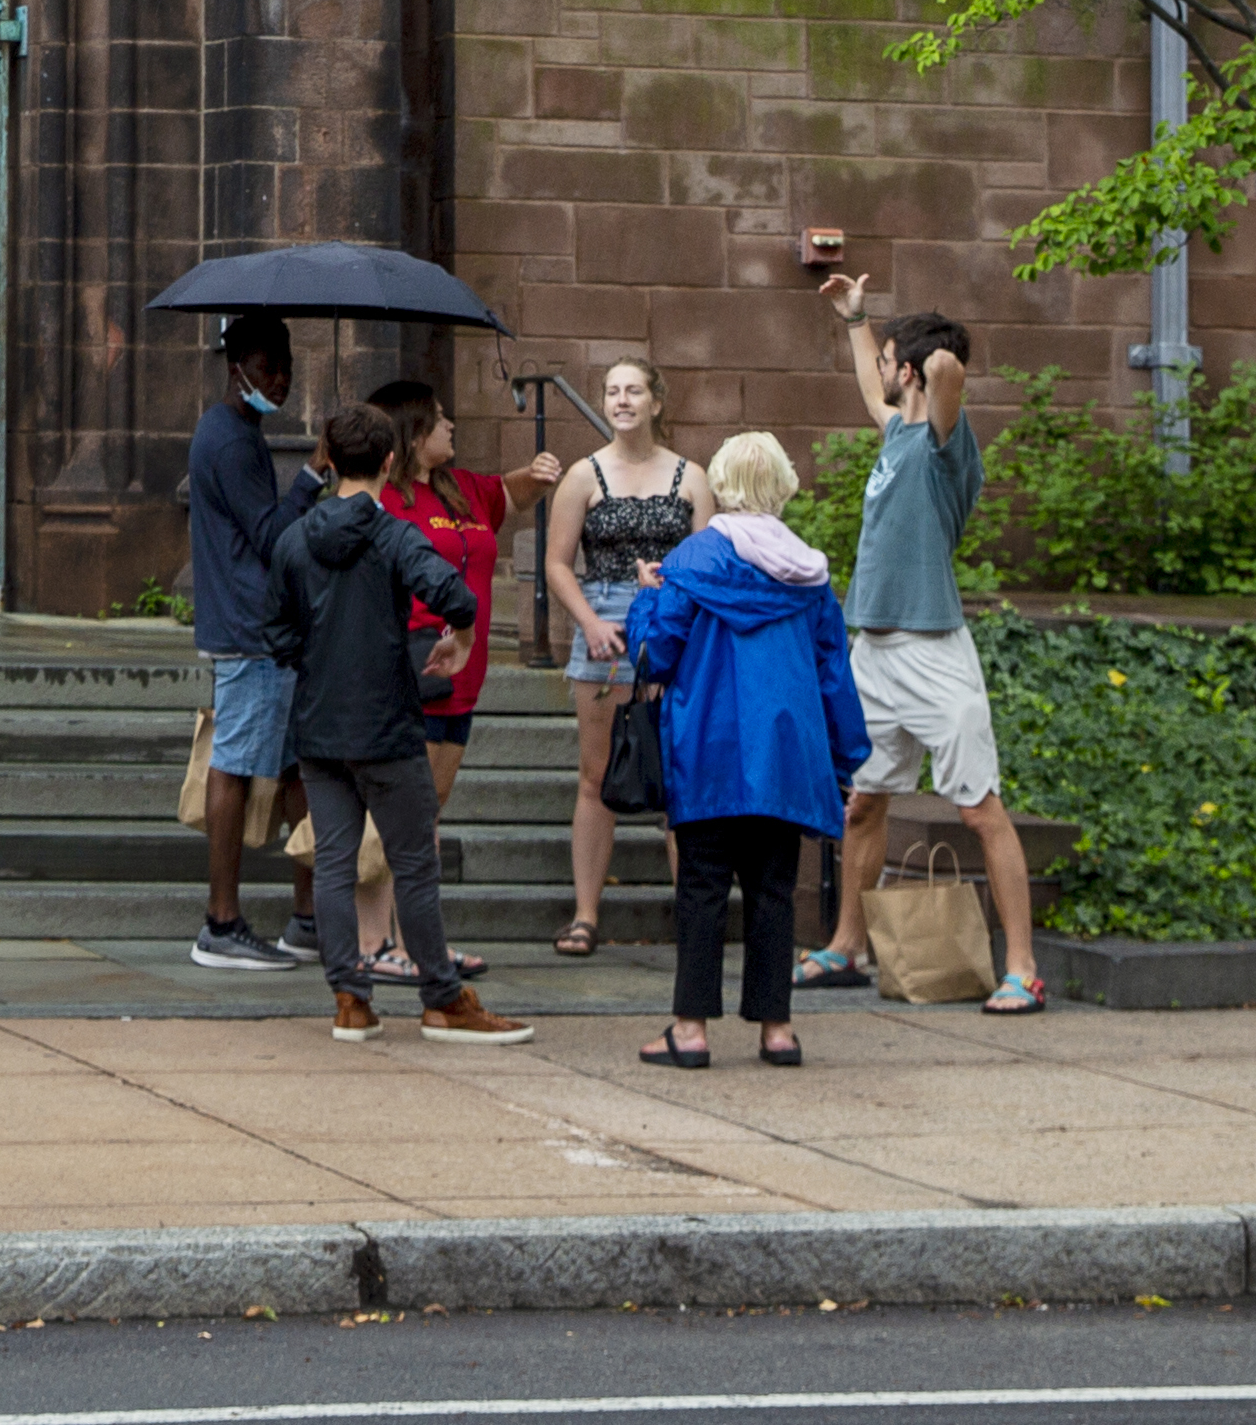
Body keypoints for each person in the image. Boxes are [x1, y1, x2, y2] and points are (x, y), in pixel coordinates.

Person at [794, 269, 1045, 1016]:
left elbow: (945, 377)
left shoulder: (942, 440)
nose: (880, 371)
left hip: (935, 651)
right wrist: (858, 319)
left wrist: (939, 358)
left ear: (908, 370)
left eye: (889, 359)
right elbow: (879, 392)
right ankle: (847, 945)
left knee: (980, 808)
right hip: (873, 651)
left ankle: (1023, 969)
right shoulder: (898, 431)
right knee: (863, 804)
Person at [262, 401, 530, 1044]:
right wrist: (460, 641)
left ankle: (350, 998)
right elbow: (456, 596)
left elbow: (274, 633)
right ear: (388, 461)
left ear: (327, 458)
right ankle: (441, 997)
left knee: (333, 863)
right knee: (414, 863)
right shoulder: (393, 535)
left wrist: (318, 659)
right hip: (387, 720)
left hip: (320, 722)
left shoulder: (295, 538)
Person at [624, 431, 871, 1070]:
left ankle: (691, 1029)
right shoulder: (809, 575)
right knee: (774, 892)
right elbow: (833, 674)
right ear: (784, 487)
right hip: (785, 758)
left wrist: (648, 595)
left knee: (701, 890)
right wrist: (846, 761)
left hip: (706, 750)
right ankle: (777, 1030)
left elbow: (656, 655)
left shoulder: (691, 560)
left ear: (723, 487)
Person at [349, 376, 555, 988]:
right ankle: (372, 941)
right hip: (407, 670)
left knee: (426, 812)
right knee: (397, 811)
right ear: (412, 433)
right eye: (439, 419)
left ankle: (421, 944)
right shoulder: (382, 498)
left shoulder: (461, 489)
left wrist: (538, 472)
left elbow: (508, 495)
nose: (451, 427)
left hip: (463, 677)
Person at [538, 356, 716, 958]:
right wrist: (587, 623)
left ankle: (692, 912)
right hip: (604, 625)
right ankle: (586, 914)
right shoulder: (584, 477)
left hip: (673, 624)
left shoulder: (692, 476)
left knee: (680, 776)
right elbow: (557, 563)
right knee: (595, 777)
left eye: (633, 390)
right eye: (612, 391)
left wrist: (675, 610)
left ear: (655, 402)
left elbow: (706, 562)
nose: (621, 400)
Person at [182, 312, 316, 969]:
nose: (281, 380)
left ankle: (309, 916)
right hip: (250, 629)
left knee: (295, 767)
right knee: (235, 765)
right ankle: (222, 920)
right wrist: (314, 480)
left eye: (287, 367)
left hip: (258, 626)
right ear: (237, 368)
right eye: (269, 368)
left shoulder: (233, 430)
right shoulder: (232, 440)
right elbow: (270, 537)